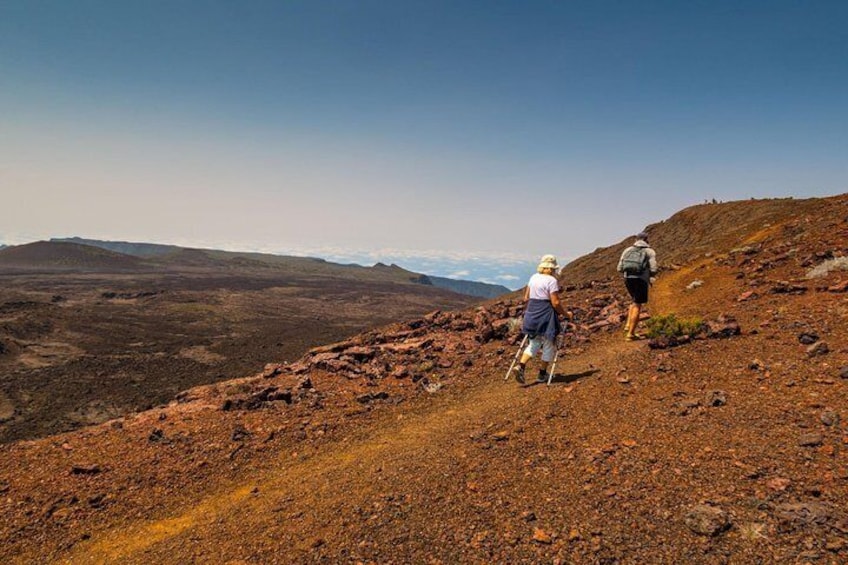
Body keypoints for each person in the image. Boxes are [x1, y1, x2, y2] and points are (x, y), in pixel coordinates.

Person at [512, 254, 571, 384]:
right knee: (549, 343)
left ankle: (520, 366)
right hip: (546, 315)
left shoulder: (533, 277)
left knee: (534, 343)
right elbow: (555, 303)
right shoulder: (551, 281)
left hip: (532, 313)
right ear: (551, 269)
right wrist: (566, 315)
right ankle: (542, 374)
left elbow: (526, 298)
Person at [617, 231, 659, 340]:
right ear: (646, 239)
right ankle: (630, 334)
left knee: (633, 300)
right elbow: (654, 268)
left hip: (628, 279)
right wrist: (650, 275)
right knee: (637, 304)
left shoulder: (627, 250)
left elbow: (619, 268)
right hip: (641, 279)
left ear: (636, 239)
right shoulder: (649, 251)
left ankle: (627, 325)